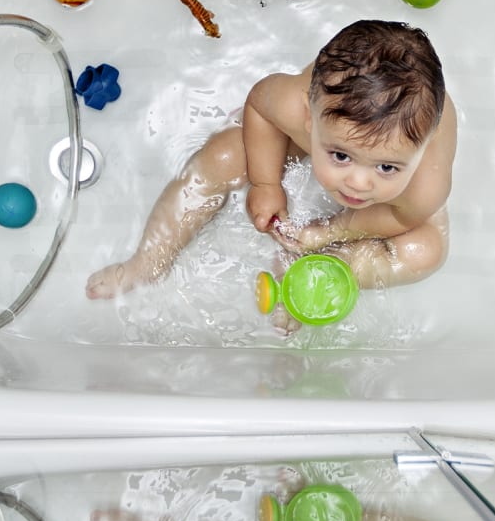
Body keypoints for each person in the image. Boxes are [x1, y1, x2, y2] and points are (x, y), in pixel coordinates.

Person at [86, 19, 455, 312]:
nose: (358, 184)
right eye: (341, 157)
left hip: (394, 197)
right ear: (309, 122)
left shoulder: (426, 183)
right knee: (224, 156)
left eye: (387, 168)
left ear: (421, 152)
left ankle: (308, 273)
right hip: (321, 132)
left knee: (425, 252)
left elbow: (404, 218)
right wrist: (266, 184)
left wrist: (330, 231)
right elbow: (260, 106)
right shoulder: (293, 106)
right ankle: (146, 262)